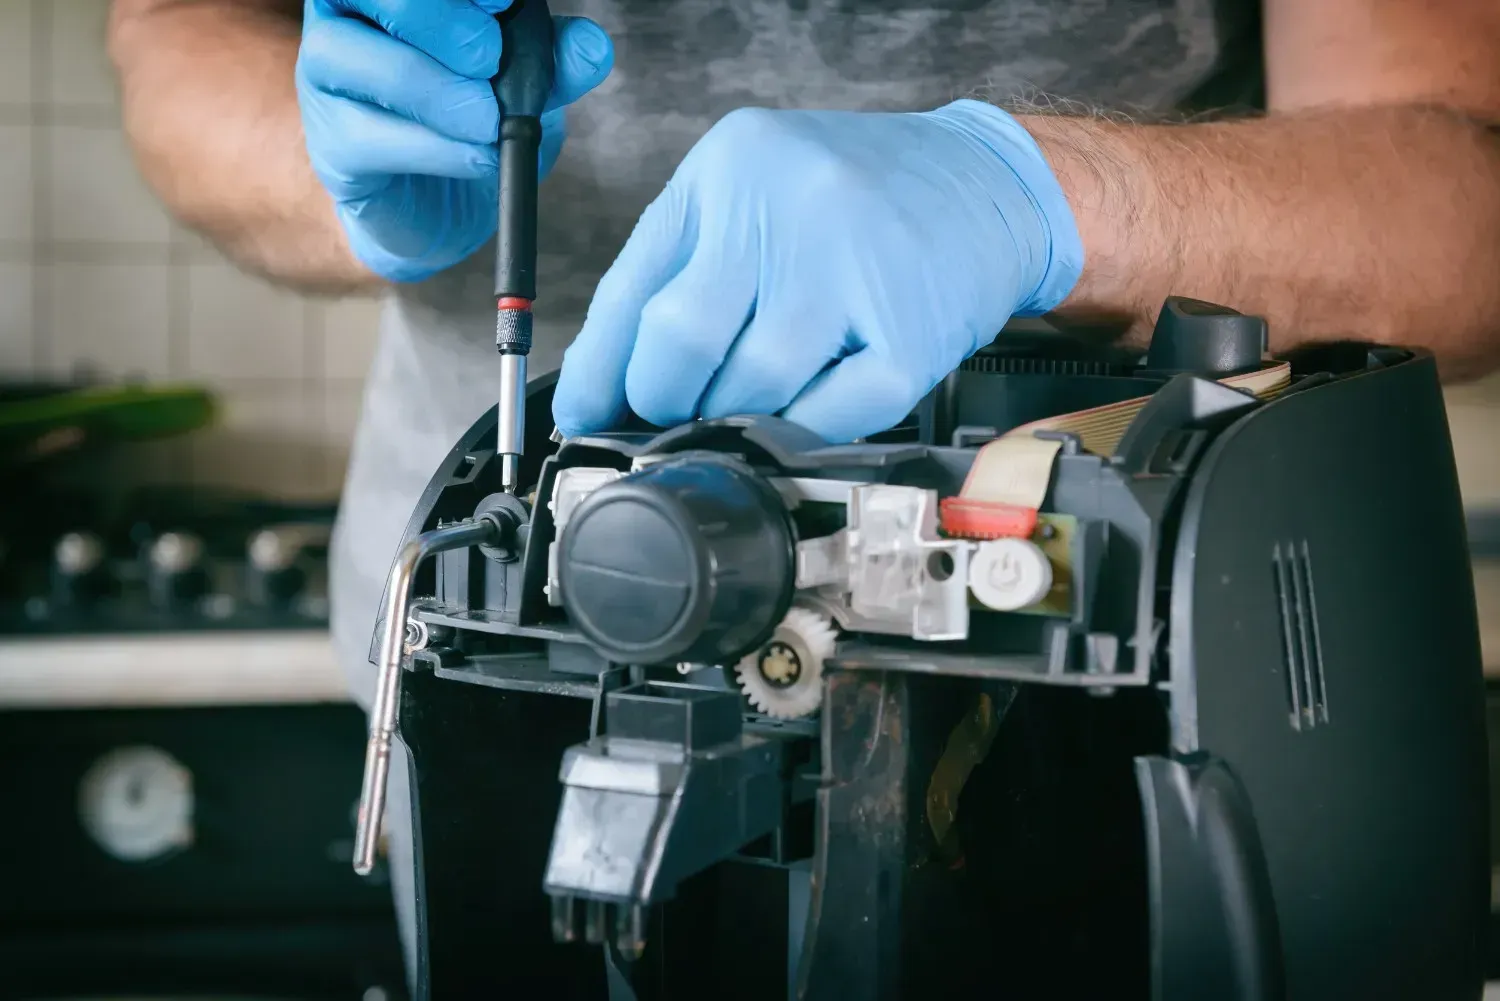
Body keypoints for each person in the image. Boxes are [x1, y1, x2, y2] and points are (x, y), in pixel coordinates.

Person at [107, 0, 1500, 979]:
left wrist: (1045, 196)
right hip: (503, 666)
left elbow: (1462, 197)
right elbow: (175, 30)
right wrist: (334, 149)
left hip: (1095, 691)